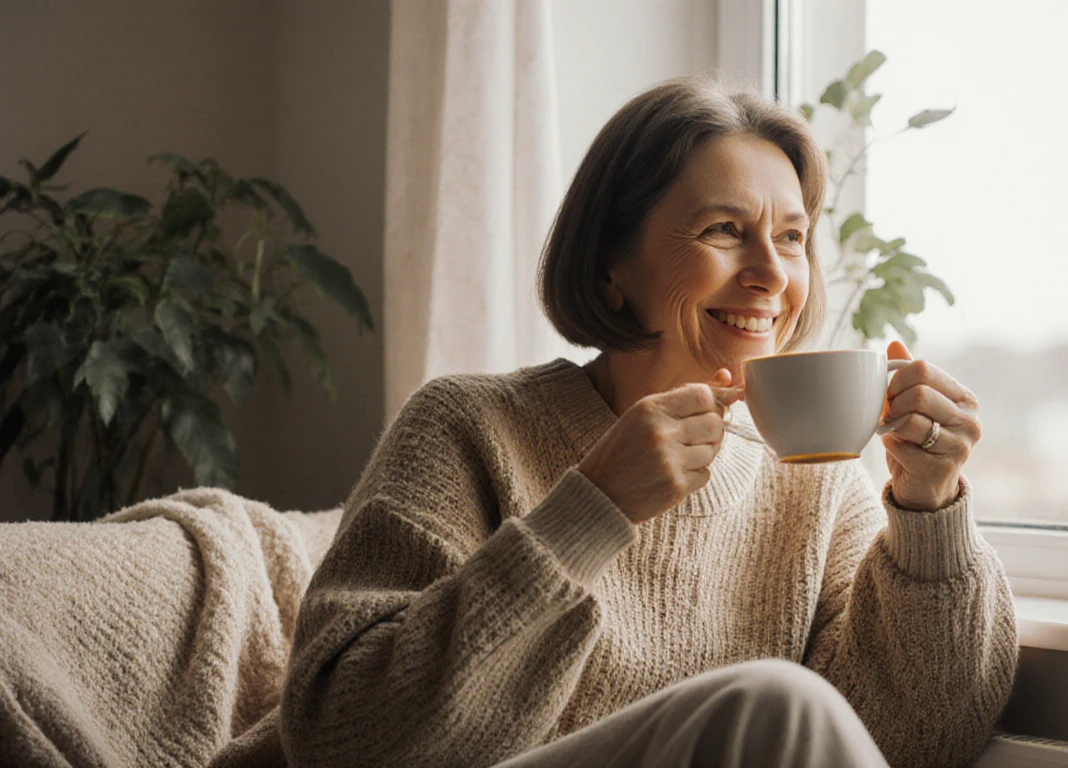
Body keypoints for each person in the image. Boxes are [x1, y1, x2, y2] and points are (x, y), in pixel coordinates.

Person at [275, 77, 1016, 768]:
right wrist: (592, 511)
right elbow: (340, 735)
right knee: (776, 701)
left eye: (791, 238)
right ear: (609, 267)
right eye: (726, 230)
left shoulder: (814, 486)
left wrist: (929, 508)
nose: (772, 273)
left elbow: (917, 741)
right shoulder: (468, 426)